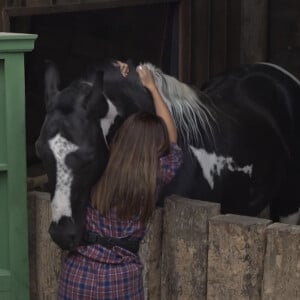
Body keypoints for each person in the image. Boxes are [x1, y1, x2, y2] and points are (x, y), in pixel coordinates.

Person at [57, 62, 183, 299]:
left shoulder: (95, 163)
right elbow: (172, 140)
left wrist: (116, 78)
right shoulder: (156, 174)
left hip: (77, 277)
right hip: (120, 281)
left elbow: (85, 117)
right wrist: (152, 88)